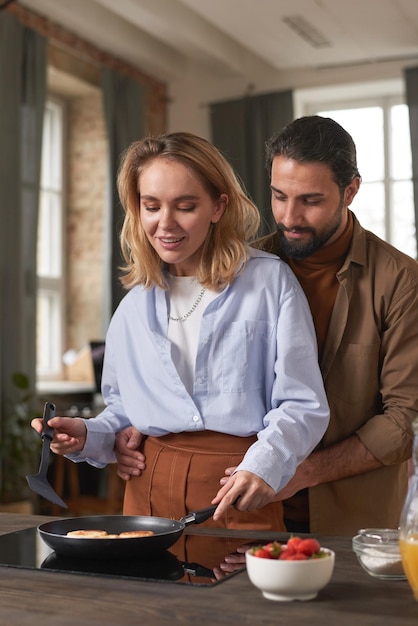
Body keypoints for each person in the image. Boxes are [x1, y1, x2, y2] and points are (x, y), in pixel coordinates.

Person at [115, 117, 418, 536]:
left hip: (349, 514)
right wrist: (142, 419)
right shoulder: (242, 268)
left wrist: (303, 470)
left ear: (351, 191)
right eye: (279, 196)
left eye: (310, 200)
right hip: (241, 508)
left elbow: (406, 419)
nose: (289, 216)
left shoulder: (401, 281)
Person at [32, 131, 329, 530]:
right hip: (147, 490)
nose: (165, 224)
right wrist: (87, 434)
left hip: (237, 487)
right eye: (151, 206)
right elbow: (125, 412)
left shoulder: (270, 284)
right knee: (146, 593)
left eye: (185, 206)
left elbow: (302, 403)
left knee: (237, 594)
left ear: (218, 206)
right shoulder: (133, 306)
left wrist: (266, 466)